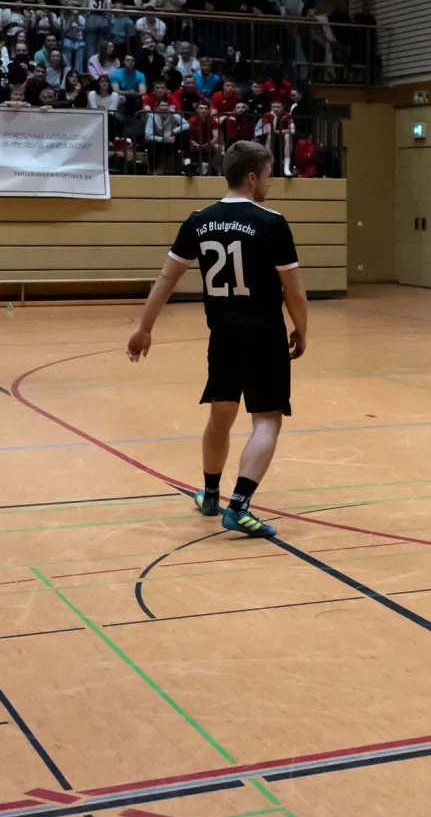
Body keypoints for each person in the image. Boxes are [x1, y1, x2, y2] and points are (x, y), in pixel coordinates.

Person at [125, 140, 309, 538]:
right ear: (252, 177)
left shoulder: (199, 220)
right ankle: (238, 506)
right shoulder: (271, 222)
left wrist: (144, 328)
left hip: (222, 336)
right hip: (264, 335)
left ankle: (210, 496)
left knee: (221, 416)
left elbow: (166, 278)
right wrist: (302, 327)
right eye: (269, 176)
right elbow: (293, 290)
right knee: (267, 419)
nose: (270, 184)